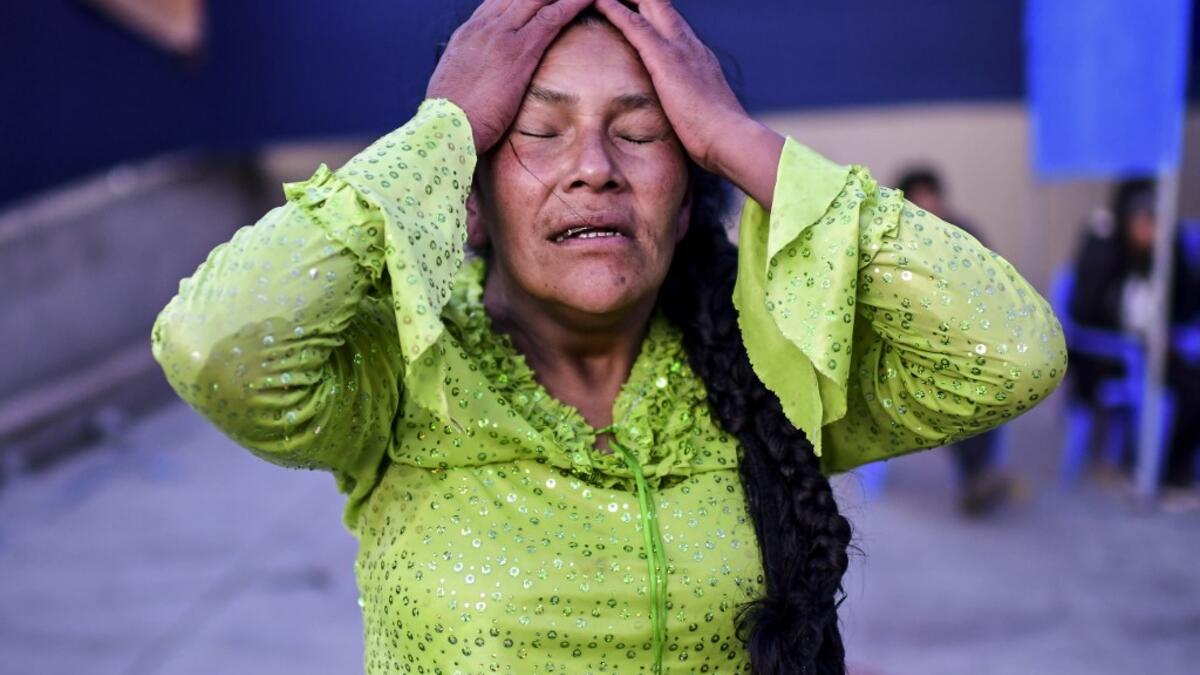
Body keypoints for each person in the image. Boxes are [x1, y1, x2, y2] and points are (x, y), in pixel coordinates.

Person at [151, 2, 1066, 673]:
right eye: (537, 133)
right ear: (468, 198)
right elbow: (211, 343)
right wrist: (443, 129)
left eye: (641, 134)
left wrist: (739, 137)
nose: (593, 168)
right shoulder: (402, 369)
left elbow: (1013, 350)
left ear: (689, 189)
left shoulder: (765, 371)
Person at [896, 168, 1022, 517]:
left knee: (994, 384)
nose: (928, 205)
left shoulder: (965, 234)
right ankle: (977, 476)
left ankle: (977, 476)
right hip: (917, 349)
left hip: (970, 341)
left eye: (931, 196)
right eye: (918, 198)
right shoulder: (894, 243)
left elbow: (995, 283)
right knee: (956, 392)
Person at [1069, 179, 1200, 504]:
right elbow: (1085, 309)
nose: (1146, 231)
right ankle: (1145, 469)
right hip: (1108, 354)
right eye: (1141, 222)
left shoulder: (1168, 255)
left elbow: (1184, 306)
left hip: (1153, 350)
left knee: (1193, 387)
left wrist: (1165, 257)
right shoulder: (1105, 250)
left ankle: (1172, 472)